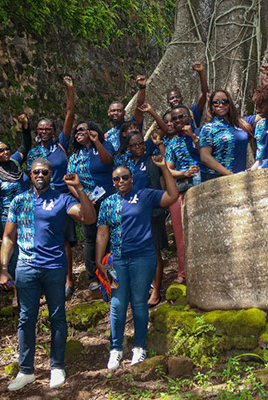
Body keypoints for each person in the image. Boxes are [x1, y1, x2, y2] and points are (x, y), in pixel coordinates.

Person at [0, 159, 96, 391]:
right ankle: (26, 371)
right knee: (26, 319)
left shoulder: (62, 199)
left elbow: (89, 217)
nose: (40, 175)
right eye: (36, 172)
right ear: (30, 174)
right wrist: (4, 269)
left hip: (54, 267)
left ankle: (57, 367)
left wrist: (79, 188)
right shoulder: (19, 201)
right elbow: (8, 237)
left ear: (51, 174)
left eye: (44, 171)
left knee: (57, 317)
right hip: (25, 267)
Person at [96, 157, 178, 369]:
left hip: (143, 257)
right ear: (112, 182)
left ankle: (139, 346)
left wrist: (163, 169)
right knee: (117, 303)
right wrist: (99, 261)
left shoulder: (144, 195)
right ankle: (115, 348)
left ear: (132, 178)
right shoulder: (108, 203)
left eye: (124, 177)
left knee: (139, 302)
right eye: (116, 179)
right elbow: (102, 233)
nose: (121, 181)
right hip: (116, 260)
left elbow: (172, 196)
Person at [25, 75, 77, 298]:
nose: (44, 131)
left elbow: (70, 114)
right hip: (38, 199)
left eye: (48, 128)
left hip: (60, 196)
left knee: (64, 240)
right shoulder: (33, 153)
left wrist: (69, 90)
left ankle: (68, 278)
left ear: (53, 130)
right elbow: (29, 176)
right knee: (43, 238)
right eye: (41, 129)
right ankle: (44, 279)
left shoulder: (61, 145)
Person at [115, 130, 169, 304]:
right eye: (134, 145)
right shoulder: (127, 165)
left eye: (141, 143)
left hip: (152, 211)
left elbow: (163, 173)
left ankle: (156, 290)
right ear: (128, 147)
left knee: (154, 250)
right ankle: (144, 287)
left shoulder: (152, 159)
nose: (138, 147)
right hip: (133, 213)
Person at [0, 114, 31, 307]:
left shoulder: (14, 163)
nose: (4, 152)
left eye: (6, 148)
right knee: (14, 254)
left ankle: (32, 287)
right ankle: (16, 292)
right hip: (7, 218)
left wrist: (25, 126)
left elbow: (26, 146)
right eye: (0, 150)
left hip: (28, 214)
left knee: (30, 249)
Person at [67, 121, 115, 293]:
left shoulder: (104, 145)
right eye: (75, 131)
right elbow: (70, 181)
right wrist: (83, 197)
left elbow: (108, 161)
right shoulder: (74, 156)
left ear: (91, 131)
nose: (77, 133)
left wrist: (97, 142)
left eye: (81, 129)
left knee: (110, 235)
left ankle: (111, 272)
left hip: (108, 198)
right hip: (88, 202)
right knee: (90, 238)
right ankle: (93, 277)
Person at [166, 105, 201, 284]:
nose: (178, 121)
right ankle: (183, 272)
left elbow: (208, 155)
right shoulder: (172, 143)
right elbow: (168, 169)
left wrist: (194, 137)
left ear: (189, 117)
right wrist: (184, 173)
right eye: (175, 119)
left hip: (202, 188)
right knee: (180, 232)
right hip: (181, 189)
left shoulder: (202, 134)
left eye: (182, 117)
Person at [199, 90, 250, 180]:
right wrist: (229, 174)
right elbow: (205, 157)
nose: (221, 105)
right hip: (218, 178)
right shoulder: (208, 128)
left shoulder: (240, 124)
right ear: (211, 106)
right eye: (216, 102)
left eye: (224, 101)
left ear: (229, 104)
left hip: (241, 177)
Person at [104, 75, 147, 152]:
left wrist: (142, 87)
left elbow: (139, 105)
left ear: (124, 112)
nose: (116, 113)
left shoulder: (132, 125)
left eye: (119, 110)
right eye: (113, 111)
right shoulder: (107, 135)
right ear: (108, 113)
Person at [167, 61, 209, 129]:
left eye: (177, 97)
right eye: (172, 98)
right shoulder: (167, 119)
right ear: (168, 102)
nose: (175, 99)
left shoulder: (192, 112)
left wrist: (200, 72)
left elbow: (204, 94)